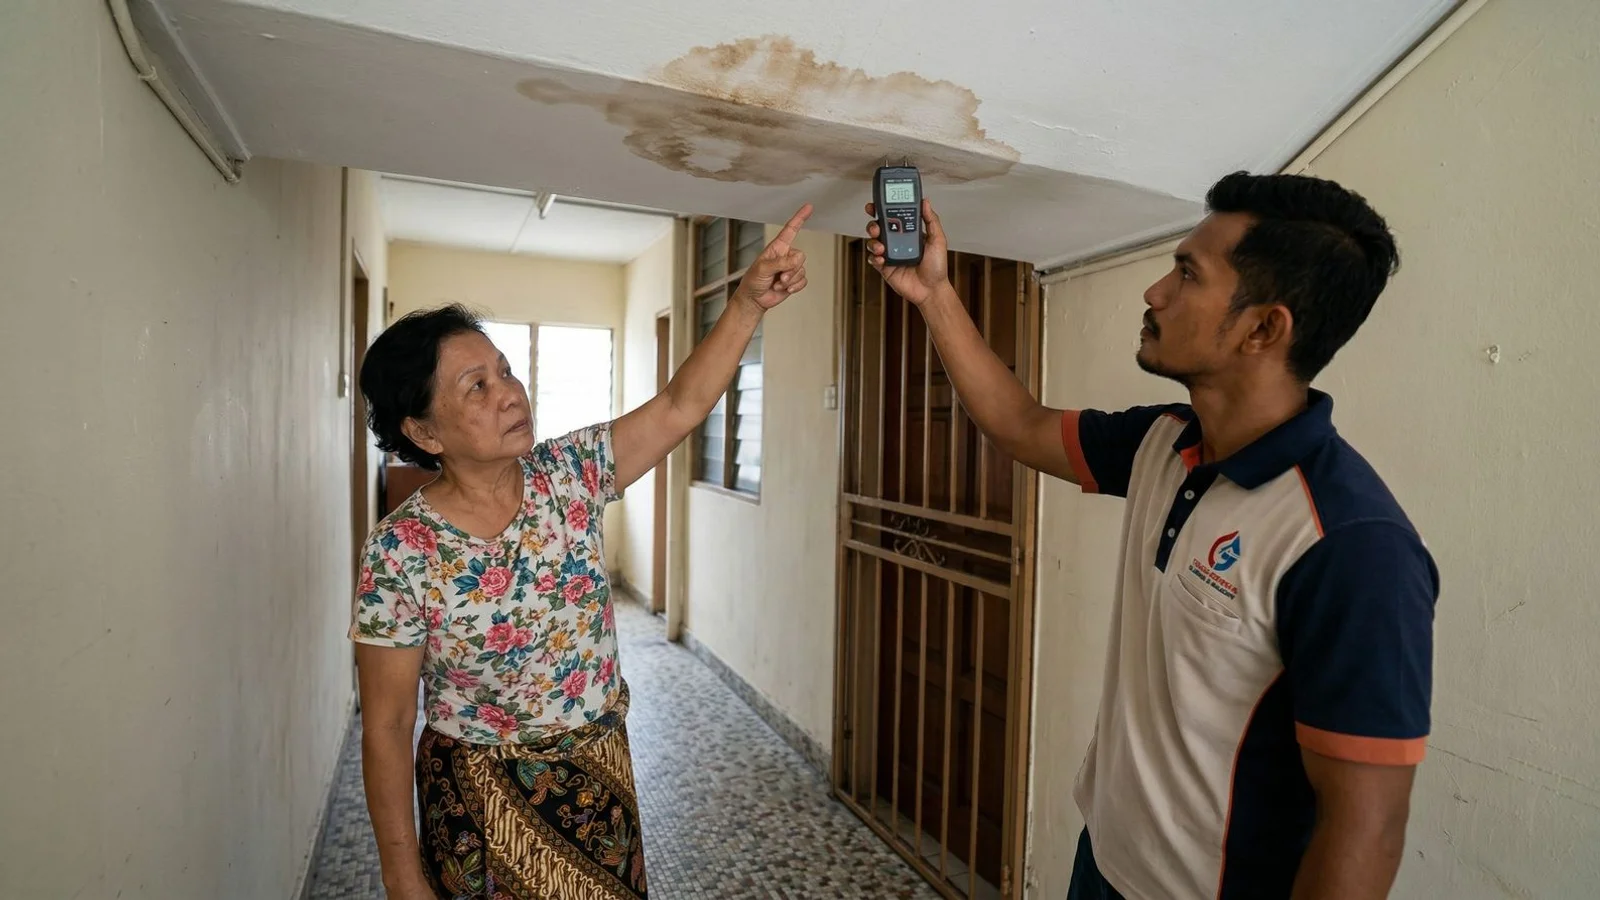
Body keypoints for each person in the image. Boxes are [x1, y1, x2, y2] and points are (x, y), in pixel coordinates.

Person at [865, 173, 1436, 900]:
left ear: (1265, 328)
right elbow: (1020, 425)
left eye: (1187, 275)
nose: (1155, 293)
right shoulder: (1165, 443)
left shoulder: (1350, 546)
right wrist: (933, 293)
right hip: (1103, 860)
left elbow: (1367, 829)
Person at [350, 205, 812, 899]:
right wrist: (400, 874)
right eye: (477, 386)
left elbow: (681, 406)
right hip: (478, 808)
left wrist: (747, 303)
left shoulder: (571, 473)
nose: (510, 393)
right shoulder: (401, 550)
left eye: (504, 371)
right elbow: (385, 725)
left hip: (597, 787)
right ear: (424, 430)